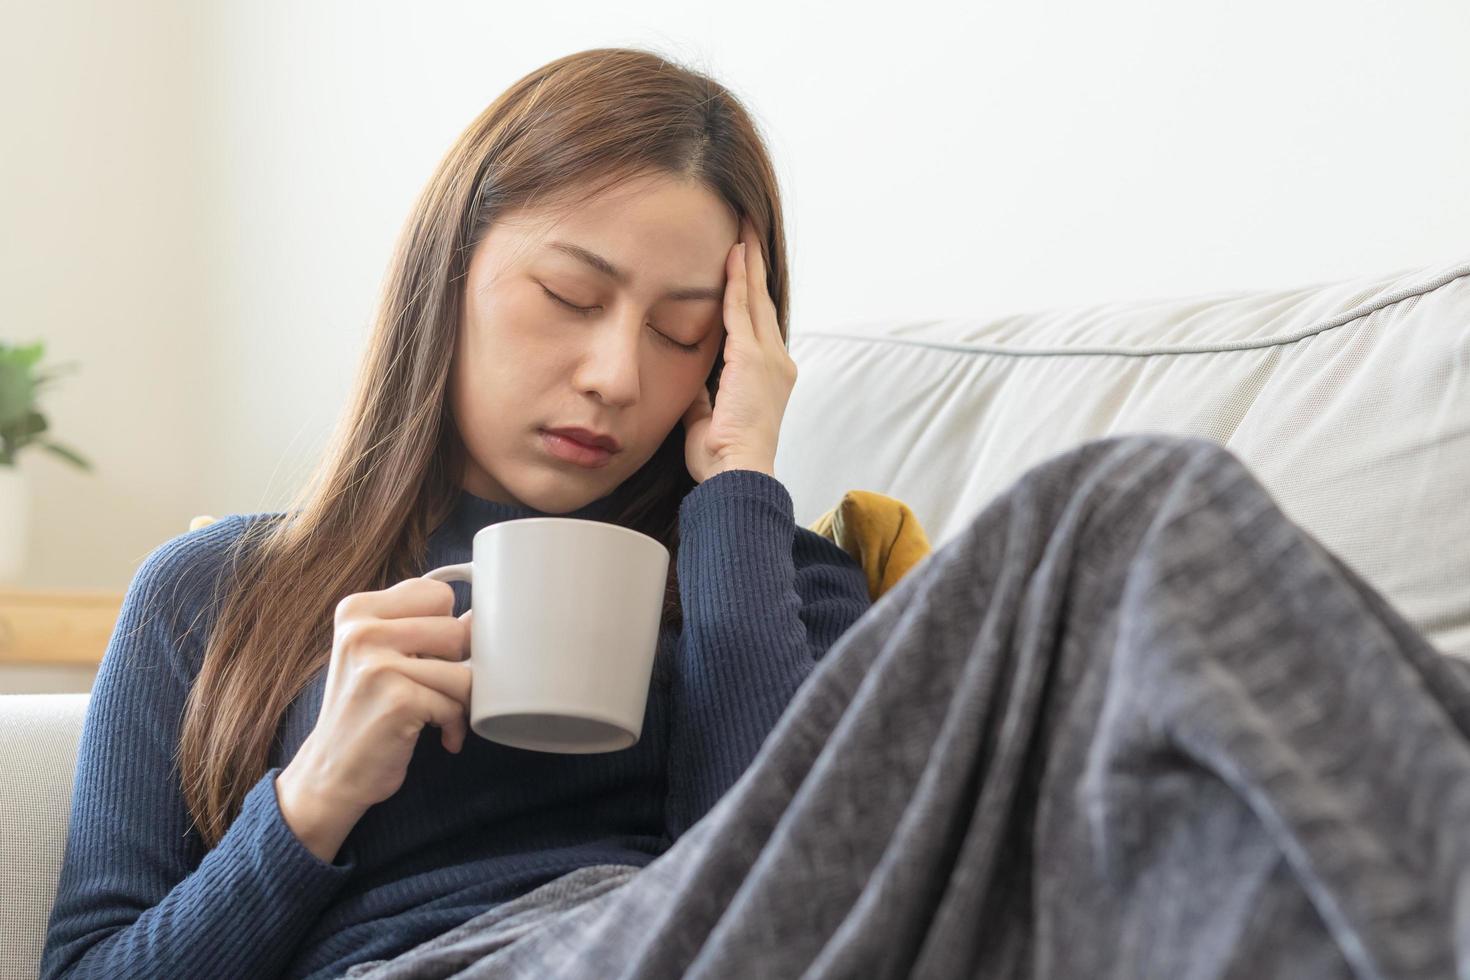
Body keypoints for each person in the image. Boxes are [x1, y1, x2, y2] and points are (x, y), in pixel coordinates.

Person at [40, 47, 875, 979]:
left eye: (681, 333)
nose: (615, 378)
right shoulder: (213, 592)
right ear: (448, 273)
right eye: (570, 298)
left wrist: (734, 497)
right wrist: (314, 799)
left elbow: (805, 917)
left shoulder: (785, 585)